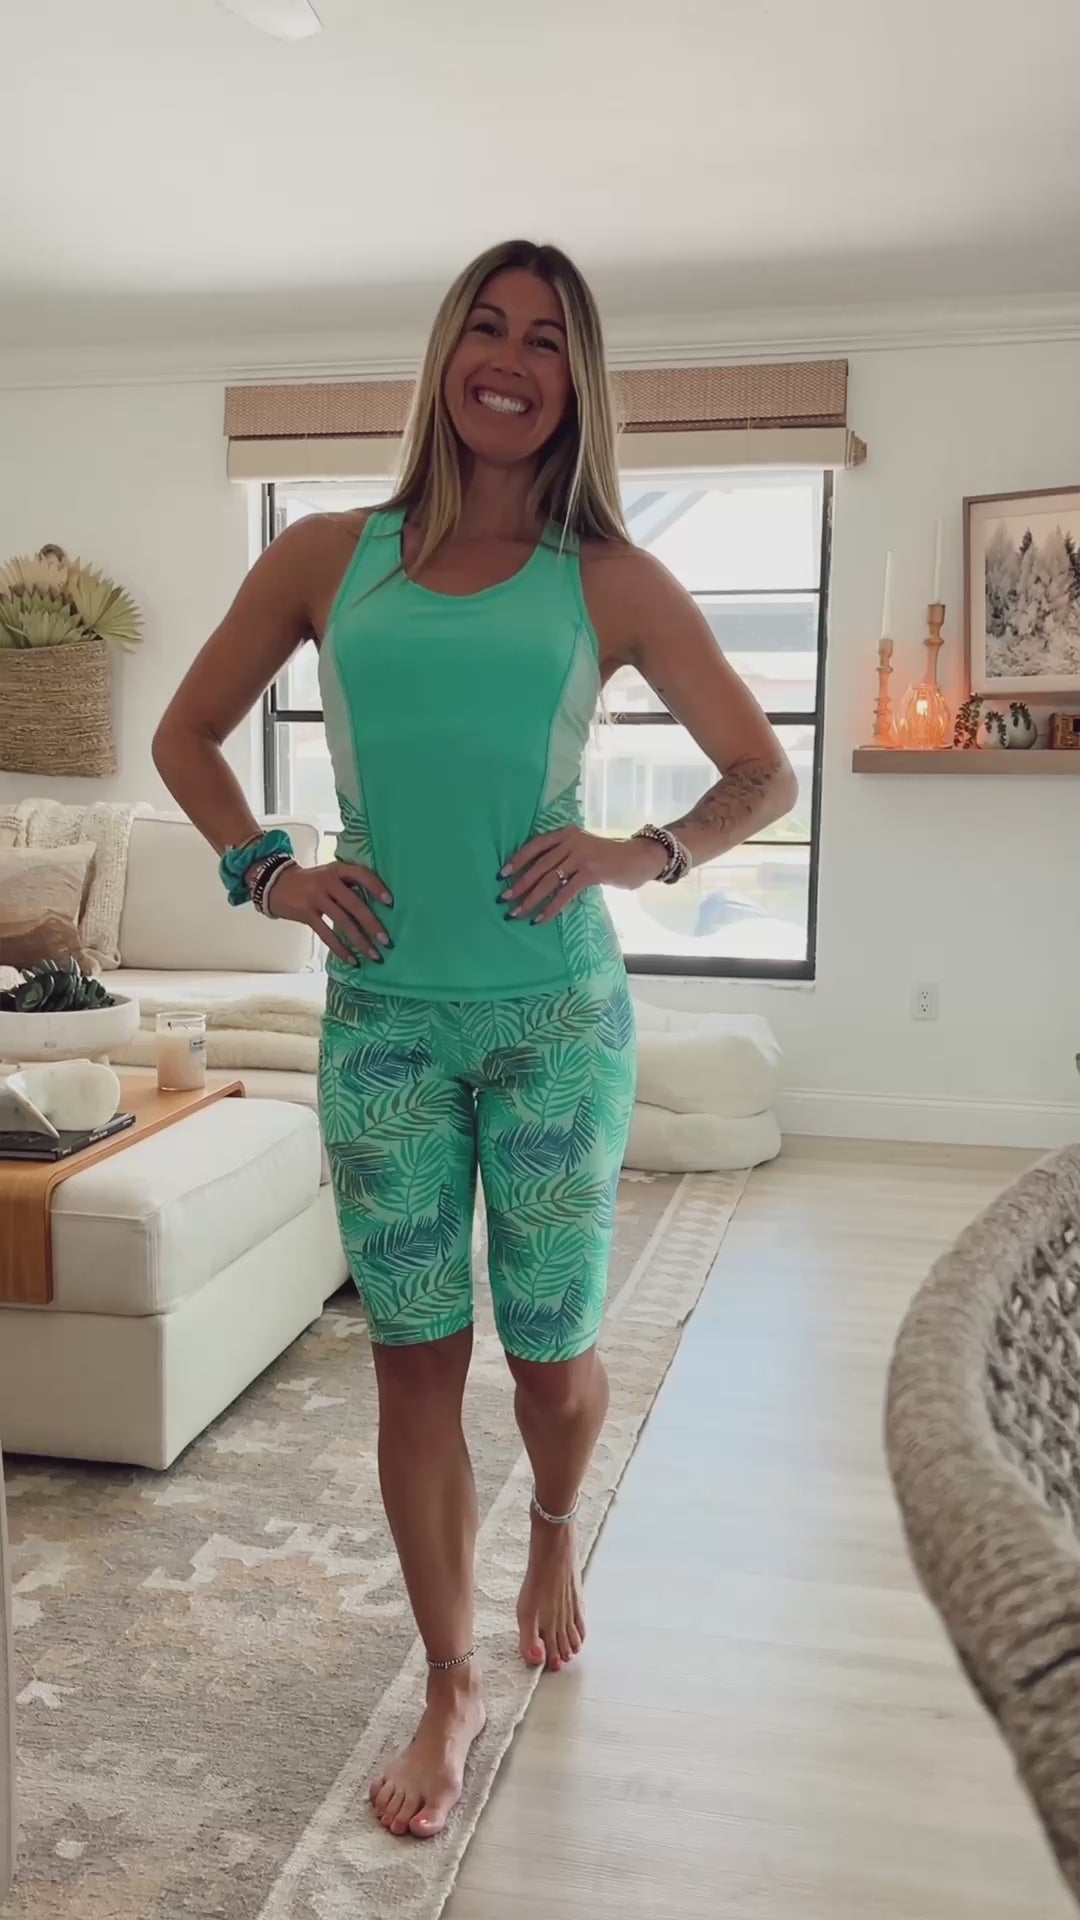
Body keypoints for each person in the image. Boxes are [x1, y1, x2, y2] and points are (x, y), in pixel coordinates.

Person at [153, 237, 796, 1842]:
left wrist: (642, 854)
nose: (510, 361)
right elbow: (186, 735)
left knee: (552, 1364)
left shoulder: (610, 580)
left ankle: (557, 1527)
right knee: (416, 1364)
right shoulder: (328, 556)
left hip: (556, 1026)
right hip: (382, 1026)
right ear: (447, 356)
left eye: (547, 341)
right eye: (487, 330)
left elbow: (760, 773)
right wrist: (270, 874)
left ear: (580, 383)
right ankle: (449, 1681)